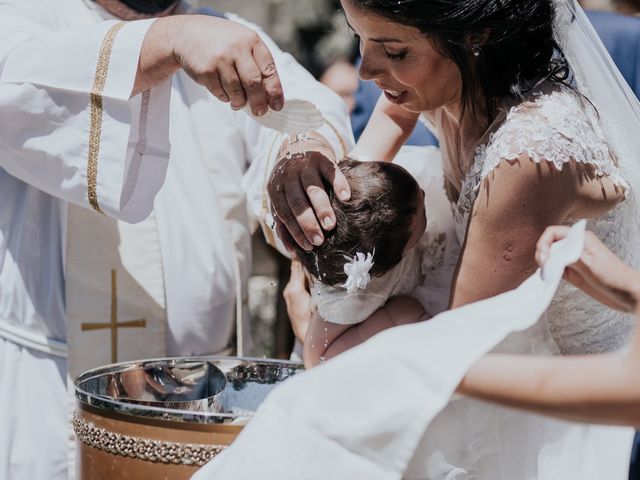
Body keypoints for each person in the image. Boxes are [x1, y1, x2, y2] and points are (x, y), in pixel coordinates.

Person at [268, 0, 640, 477]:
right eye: (359, 39)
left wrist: (323, 334)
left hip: (569, 411)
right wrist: (337, 229)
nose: (366, 69)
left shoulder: (527, 158)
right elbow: (385, 125)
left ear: (473, 36)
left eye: (393, 51)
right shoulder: (441, 81)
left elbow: (455, 351)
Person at [0, 1, 354, 479]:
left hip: (210, 406)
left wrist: (299, 148)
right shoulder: (27, 16)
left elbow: (308, 105)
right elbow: (14, 85)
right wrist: (168, 41)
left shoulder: (221, 31)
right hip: (53, 402)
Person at [285, 158, 428, 367]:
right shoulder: (346, 302)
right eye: (422, 212)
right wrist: (396, 316)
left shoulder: (362, 214)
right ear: (396, 257)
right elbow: (318, 359)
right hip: (355, 349)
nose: (424, 194)